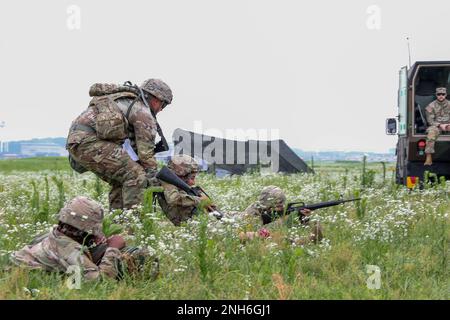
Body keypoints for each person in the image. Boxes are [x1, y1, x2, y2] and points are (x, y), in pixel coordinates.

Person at [66, 79, 172, 210]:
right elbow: (146, 156)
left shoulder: (123, 100)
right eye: (163, 105)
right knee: (136, 176)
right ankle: (131, 224)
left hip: (77, 141)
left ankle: (117, 223)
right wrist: (155, 182)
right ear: (157, 99)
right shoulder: (142, 112)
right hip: (89, 141)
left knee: (121, 180)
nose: (161, 110)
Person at [10, 196, 158, 281]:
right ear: (84, 230)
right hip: (20, 278)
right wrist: (112, 249)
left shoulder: (56, 234)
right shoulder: (70, 252)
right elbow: (100, 282)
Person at [240, 186, 323, 245]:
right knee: (256, 236)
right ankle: (299, 242)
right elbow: (256, 233)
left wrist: (304, 218)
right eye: (277, 205)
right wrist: (283, 221)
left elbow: (299, 227)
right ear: (267, 204)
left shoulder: (281, 210)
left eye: (281, 204)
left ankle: (304, 241)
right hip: (233, 219)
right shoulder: (253, 212)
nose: (281, 208)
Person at [157, 155, 219, 226]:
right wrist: (199, 200)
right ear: (182, 174)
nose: (193, 182)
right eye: (192, 178)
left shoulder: (176, 183)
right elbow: (173, 199)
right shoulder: (167, 182)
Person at [424, 87, 450, 165]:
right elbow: (430, 121)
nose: (441, 96)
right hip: (436, 126)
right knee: (431, 133)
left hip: (448, 125)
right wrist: (440, 125)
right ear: (436, 95)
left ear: (445, 95)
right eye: (439, 94)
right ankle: (428, 157)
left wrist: (448, 125)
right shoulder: (431, 106)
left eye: (443, 94)